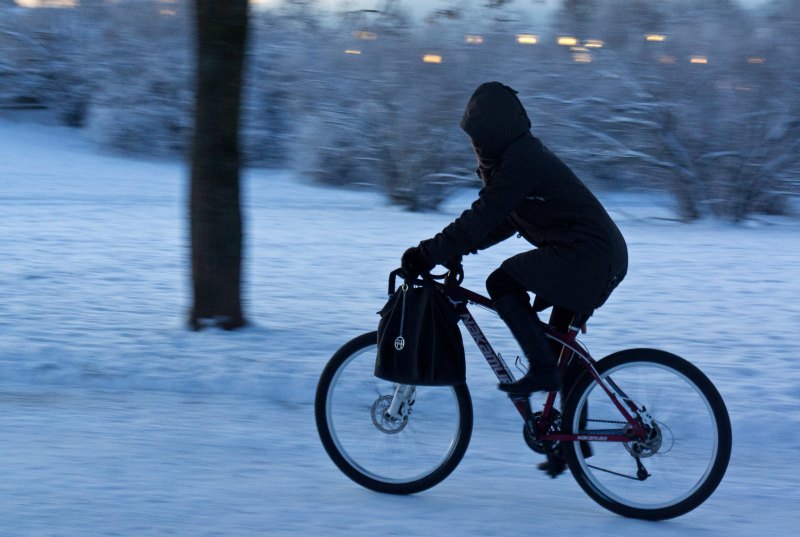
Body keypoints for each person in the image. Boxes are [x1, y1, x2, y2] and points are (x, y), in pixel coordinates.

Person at [401, 81, 628, 395]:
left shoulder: (521, 162)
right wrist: (460, 249)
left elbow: (483, 215)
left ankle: (543, 372)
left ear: (495, 133)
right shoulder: (520, 157)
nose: (476, 147)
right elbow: (503, 221)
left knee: (502, 282)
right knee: (559, 353)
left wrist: (425, 255)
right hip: (595, 256)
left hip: (589, 257)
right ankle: (569, 440)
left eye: (479, 138)